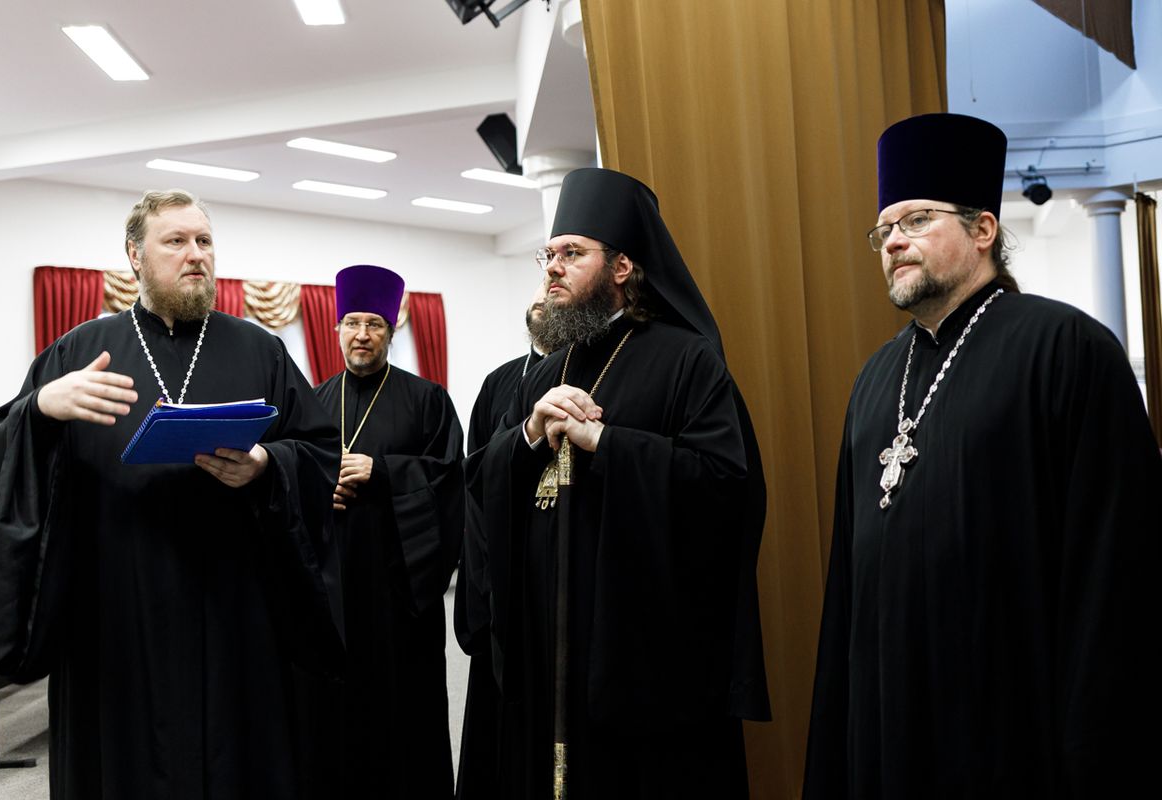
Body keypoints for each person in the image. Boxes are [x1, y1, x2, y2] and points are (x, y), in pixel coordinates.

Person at [804, 113, 1162, 799]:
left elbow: (1117, 572)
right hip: (890, 732)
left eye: (916, 220)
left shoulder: (1068, 349)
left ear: (983, 229)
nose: (893, 241)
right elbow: (847, 583)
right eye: (883, 229)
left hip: (1012, 732)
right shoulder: (876, 379)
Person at [0, 189, 341, 799]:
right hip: (113, 608)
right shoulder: (79, 350)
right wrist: (39, 411)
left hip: (233, 604)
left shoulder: (260, 349)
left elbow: (318, 450)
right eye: (176, 241)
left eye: (204, 241)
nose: (196, 254)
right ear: (135, 256)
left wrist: (266, 465)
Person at [467, 167, 771, 799]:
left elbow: (724, 486)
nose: (552, 267)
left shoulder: (686, 359)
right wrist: (528, 434)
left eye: (572, 254)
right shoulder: (544, 372)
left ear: (623, 267)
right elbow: (484, 482)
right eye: (548, 254)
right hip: (548, 642)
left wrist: (606, 443)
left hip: (640, 650)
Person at [308, 264, 464, 799]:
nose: (362, 335)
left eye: (374, 324)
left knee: (403, 714)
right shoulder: (315, 402)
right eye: (352, 323)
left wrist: (384, 472)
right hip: (334, 592)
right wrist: (319, 490)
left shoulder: (428, 400)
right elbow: (290, 478)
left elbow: (452, 482)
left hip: (400, 593)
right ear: (336, 329)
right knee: (336, 714)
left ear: (390, 332)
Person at [454, 278, 549, 800]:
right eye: (534, 297)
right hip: (501, 572)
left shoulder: (594, 371)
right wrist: (481, 581)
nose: (542, 298)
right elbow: (474, 480)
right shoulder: (499, 382)